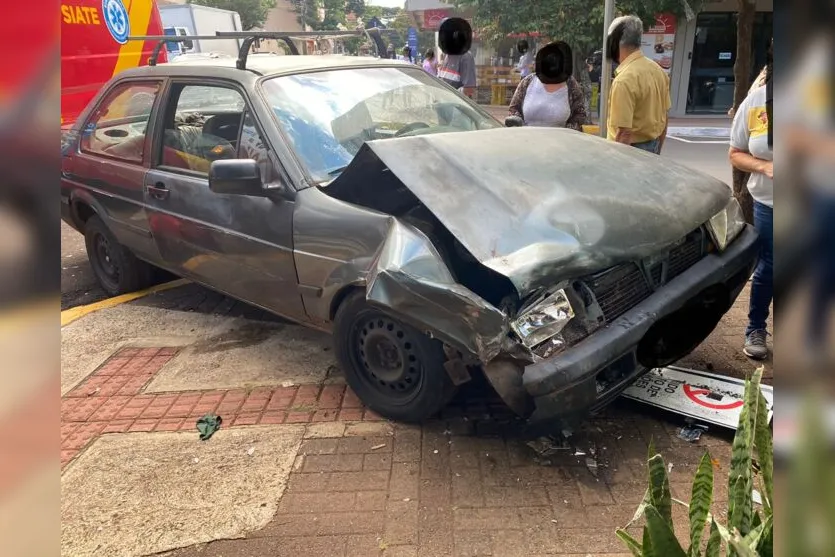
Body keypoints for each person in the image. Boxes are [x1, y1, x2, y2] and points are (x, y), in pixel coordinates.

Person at [729, 39, 773, 360]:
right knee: (769, 266)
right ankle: (756, 327)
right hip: (769, 203)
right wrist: (764, 166)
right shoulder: (757, 100)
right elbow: (735, 153)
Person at [605, 15, 671, 154]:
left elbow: (624, 133)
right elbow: (664, 119)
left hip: (630, 151)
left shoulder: (624, 81)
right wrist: (657, 153)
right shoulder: (658, 71)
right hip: (653, 146)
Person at [507, 41, 586, 130]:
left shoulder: (571, 84)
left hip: (561, 138)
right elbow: (514, 109)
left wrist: (567, 131)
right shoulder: (527, 82)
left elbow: (580, 114)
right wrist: (517, 123)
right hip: (528, 137)